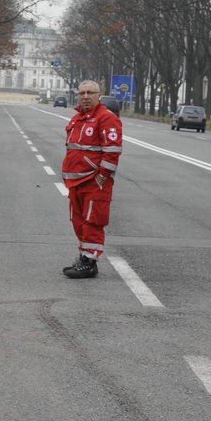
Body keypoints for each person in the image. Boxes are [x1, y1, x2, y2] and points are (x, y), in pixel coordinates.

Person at [61, 80, 123, 278]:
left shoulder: (106, 118)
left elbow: (112, 151)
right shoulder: (77, 118)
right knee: (78, 221)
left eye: (90, 93)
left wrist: (102, 177)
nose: (86, 96)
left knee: (93, 221)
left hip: (95, 181)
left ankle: (90, 262)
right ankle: (84, 255)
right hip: (76, 181)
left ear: (99, 95)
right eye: (82, 93)